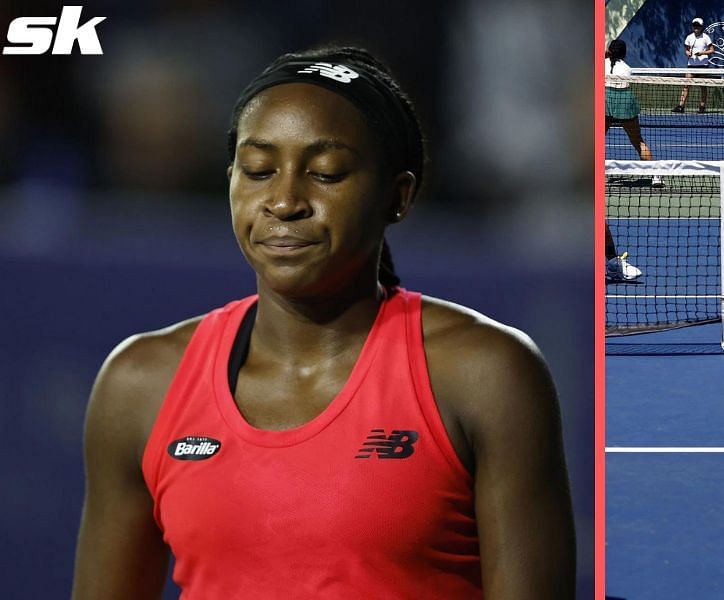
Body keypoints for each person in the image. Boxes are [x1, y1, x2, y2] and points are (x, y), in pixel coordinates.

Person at [71, 46, 576, 598]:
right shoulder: (139, 383)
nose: (284, 201)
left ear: (397, 196)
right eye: (259, 170)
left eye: (326, 173)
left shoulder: (488, 374)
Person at [605, 39, 662, 188]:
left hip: (605, 100)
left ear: (609, 51)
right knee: (638, 141)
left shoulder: (600, 64)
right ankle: (656, 176)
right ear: (624, 53)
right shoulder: (627, 68)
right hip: (624, 100)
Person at [673, 17, 714, 114]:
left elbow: (712, 50)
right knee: (686, 85)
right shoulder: (689, 37)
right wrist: (688, 53)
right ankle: (681, 106)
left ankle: (702, 107)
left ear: (701, 27)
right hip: (691, 65)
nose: (696, 27)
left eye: (698, 25)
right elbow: (686, 50)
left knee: (703, 86)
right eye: (694, 25)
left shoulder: (706, 37)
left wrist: (702, 53)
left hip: (702, 65)